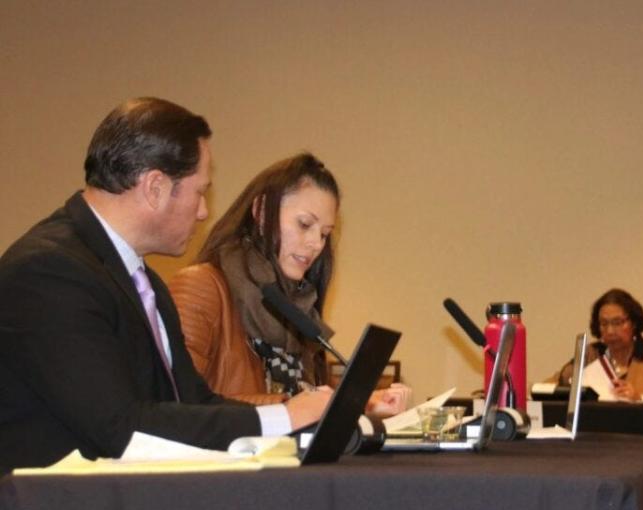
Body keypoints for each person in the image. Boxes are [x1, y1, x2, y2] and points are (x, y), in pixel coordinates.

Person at [0, 98, 377, 471]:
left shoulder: (141, 279)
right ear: (155, 187)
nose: (204, 212)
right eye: (199, 192)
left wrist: (297, 420)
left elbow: (193, 402)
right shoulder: (49, 272)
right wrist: (285, 419)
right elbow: (120, 429)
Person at [167, 153, 409, 410]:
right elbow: (179, 404)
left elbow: (311, 397)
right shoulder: (201, 287)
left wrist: (366, 405)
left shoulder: (299, 307)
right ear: (261, 212)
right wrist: (290, 409)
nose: (316, 244)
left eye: (325, 234)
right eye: (305, 224)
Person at [555, 288, 643, 403]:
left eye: (617, 322)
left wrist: (640, 398)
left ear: (634, 322)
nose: (610, 331)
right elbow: (559, 381)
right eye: (604, 323)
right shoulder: (591, 353)